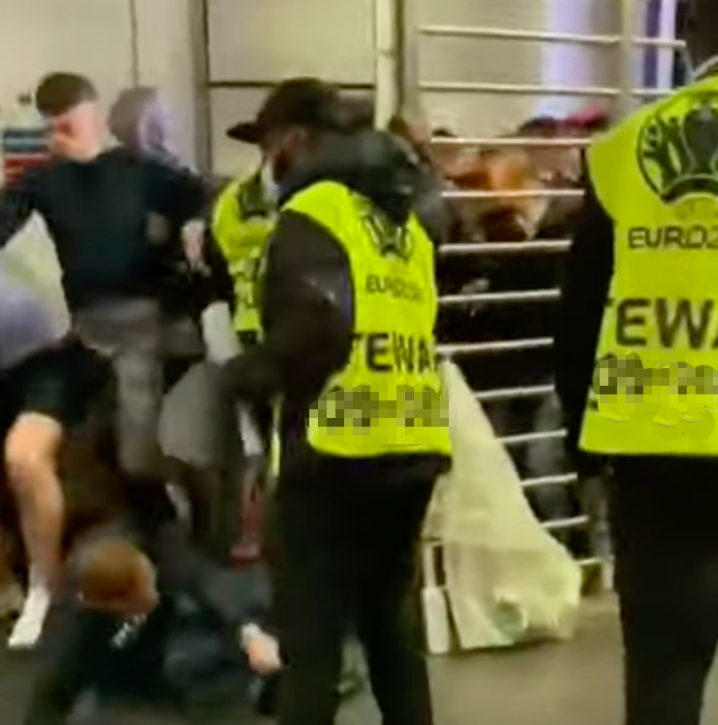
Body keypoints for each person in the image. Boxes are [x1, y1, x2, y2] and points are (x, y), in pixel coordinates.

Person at [220, 77, 452, 725]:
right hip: (411, 439)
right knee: (392, 633)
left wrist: (243, 374)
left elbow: (322, 326)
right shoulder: (402, 215)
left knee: (313, 645)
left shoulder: (315, 208)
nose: (266, 163)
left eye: (269, 147)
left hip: (333, 446)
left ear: (294, 141)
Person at [0, 72, 210, 648]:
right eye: (52, 130)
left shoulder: (140, 171)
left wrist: (193, 226)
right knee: (23, 456)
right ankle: (44, 587)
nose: (60, 138)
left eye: (68, 125)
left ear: (93, 115)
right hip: (88, 337)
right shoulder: (43, 180)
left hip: (150, 332)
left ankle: (187, 574)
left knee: (144, 461)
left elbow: (200, 194)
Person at [555, 1, 718, 723]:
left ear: (688, 35)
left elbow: (581, 310)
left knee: (662, 670)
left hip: (651, 445)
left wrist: (581, 446)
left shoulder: (625, 151)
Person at [23, 489, 280, 725]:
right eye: (141, 597)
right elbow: (48, 700)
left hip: (171, 658)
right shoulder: (76, 633)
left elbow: (203, 580)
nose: (152, 595)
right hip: (122, 693)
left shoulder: (154, 547)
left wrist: (249, 633)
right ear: (109, 605)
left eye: (150, 583)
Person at [0, 265, 110, 647]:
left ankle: (45, 587)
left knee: (24, 458)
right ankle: (5, 586)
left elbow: (33, 322)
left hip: (48, 359)